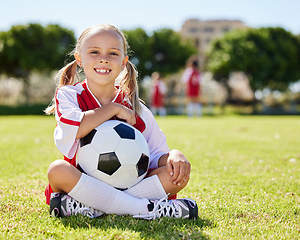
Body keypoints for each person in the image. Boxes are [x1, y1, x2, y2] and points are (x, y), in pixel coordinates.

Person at [45, 24, 198, 220]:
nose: (103, 59)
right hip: (81, 182)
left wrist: (174, 156)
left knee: (175, 176)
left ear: (124, 62)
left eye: (113, 53)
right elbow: (77, 128)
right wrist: (114, 108)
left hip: (129, 183)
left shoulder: (137, 109)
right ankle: (146, 209)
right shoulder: (69, 95)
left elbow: (155, 154)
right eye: (94, 51)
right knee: (57, 171)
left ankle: (92, 207)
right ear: (79, 59)